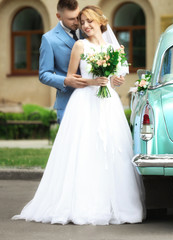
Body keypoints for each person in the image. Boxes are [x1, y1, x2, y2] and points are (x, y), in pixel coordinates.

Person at [12, 5, 145, 225]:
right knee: (84, 152)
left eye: (88, 21)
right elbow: (71, 77)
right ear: (61, 16)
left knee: (111, 151)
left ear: (100, 21)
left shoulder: (113, 48)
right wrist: (93, 82)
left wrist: (115, 81)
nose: (84, 25)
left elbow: (114, 79)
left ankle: (114, 204)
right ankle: (82, 203)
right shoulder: (79, 45)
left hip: (108, 104)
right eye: (81, 21)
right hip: (83, 103)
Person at [39, 0, 90, 123]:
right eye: (71, 19)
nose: (77, 22)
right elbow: (44, 74)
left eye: (78, 17)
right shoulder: (49, 39)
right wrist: (66, 81)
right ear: (59, 16)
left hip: (92, 101)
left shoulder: (89, 32)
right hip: (67, 102)